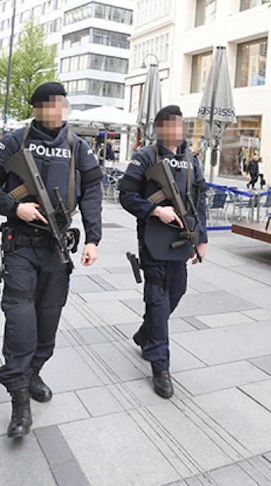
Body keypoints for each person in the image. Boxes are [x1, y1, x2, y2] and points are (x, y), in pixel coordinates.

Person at [0, 81, 103, 439]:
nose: (58, 110)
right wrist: (16, 206)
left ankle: (34, 372)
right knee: (20, 322)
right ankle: (19, 401)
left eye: (62, 103)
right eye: (50, 104)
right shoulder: (15, 141)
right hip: (21, 246)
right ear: (36, 108)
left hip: (57, 249)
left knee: (47, 323)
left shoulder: (78, 146)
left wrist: (93, 237)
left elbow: (92, 189)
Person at [119, 105, 208, 399]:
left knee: (177, 292)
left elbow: (200, 200)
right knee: (157, 299)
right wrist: (156, 210)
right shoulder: (145, 157)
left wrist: (201, 238)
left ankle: (146, 334)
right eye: (170, 125)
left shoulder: (191, 160)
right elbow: (126, 195)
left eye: (180, 125)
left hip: (183, 239)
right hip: (154, 240)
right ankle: (160, 365)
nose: (177, 131)